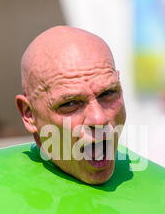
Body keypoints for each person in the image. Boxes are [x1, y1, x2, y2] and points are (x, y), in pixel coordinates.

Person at [15, 26, 126, 185]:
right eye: (70, 104)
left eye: (107, 94)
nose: (99, 119)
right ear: (29, 113)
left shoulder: (162, 192)